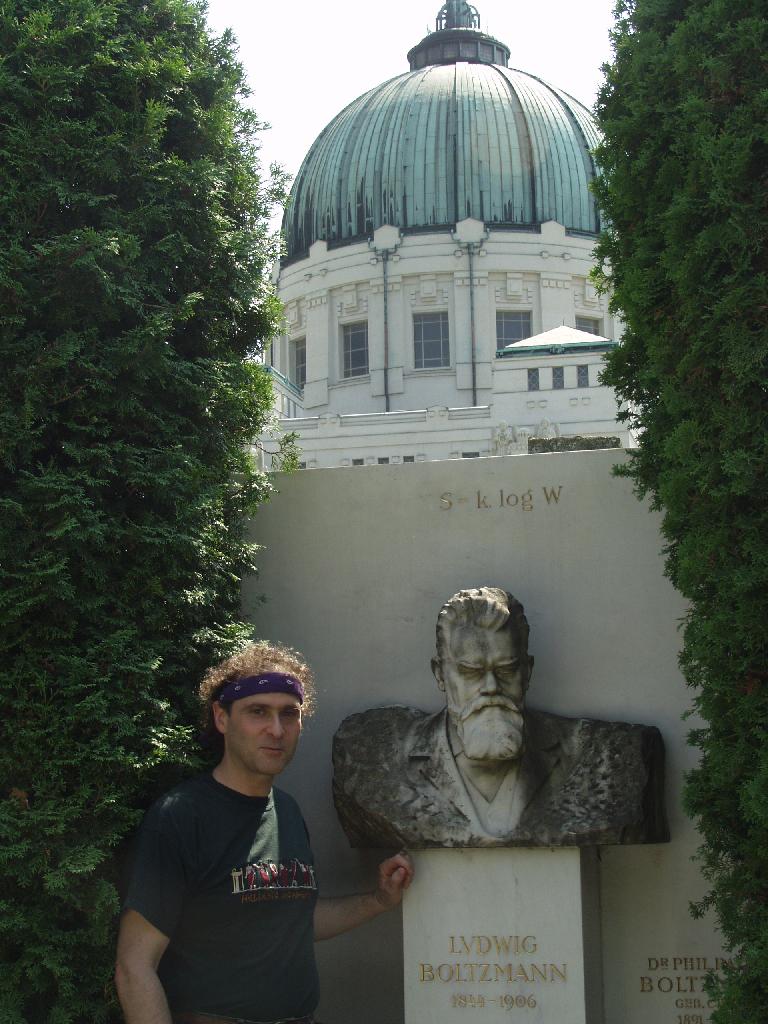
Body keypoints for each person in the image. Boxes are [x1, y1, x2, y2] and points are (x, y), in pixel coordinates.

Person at [115, 641, 413, 1024]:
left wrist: (378, 901)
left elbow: (294, 921)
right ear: (222, 718)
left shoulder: (286, 810)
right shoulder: (181, 817)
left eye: (289, 714)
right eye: (258, 712)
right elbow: (134, 965)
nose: (276, 729)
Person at [333, 587, 669, 848]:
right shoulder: (381, 761)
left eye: (506, 670)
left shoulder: (603, 758)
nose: (490, 688)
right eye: (470, 671)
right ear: (440, 674)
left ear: (527, 671)